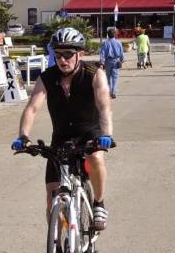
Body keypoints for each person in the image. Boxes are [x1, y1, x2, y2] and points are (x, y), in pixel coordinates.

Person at [11, 27, 114, 230]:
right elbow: (32, 108)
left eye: (68, 54)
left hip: (90, 133)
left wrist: (107, 135)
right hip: (61, 138)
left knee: (95, 157)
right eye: (58, 55)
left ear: (80, 54)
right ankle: (57, 247)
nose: (62, 60)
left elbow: (104, 107)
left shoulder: (94, 74)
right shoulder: (47, 78)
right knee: (52, 197)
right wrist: (23, 136)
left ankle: (99, 202)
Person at [98, 27, 124, 98]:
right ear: (114, 34)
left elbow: (102, 53)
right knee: (115, 77)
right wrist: (121, 60)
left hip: (108, 61)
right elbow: (121, 53)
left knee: (108, 77)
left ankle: (109, 91)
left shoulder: (105, 43)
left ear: (108, 35)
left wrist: (101, 63)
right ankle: (113, 92)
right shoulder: (118, 42)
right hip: (116, 61)